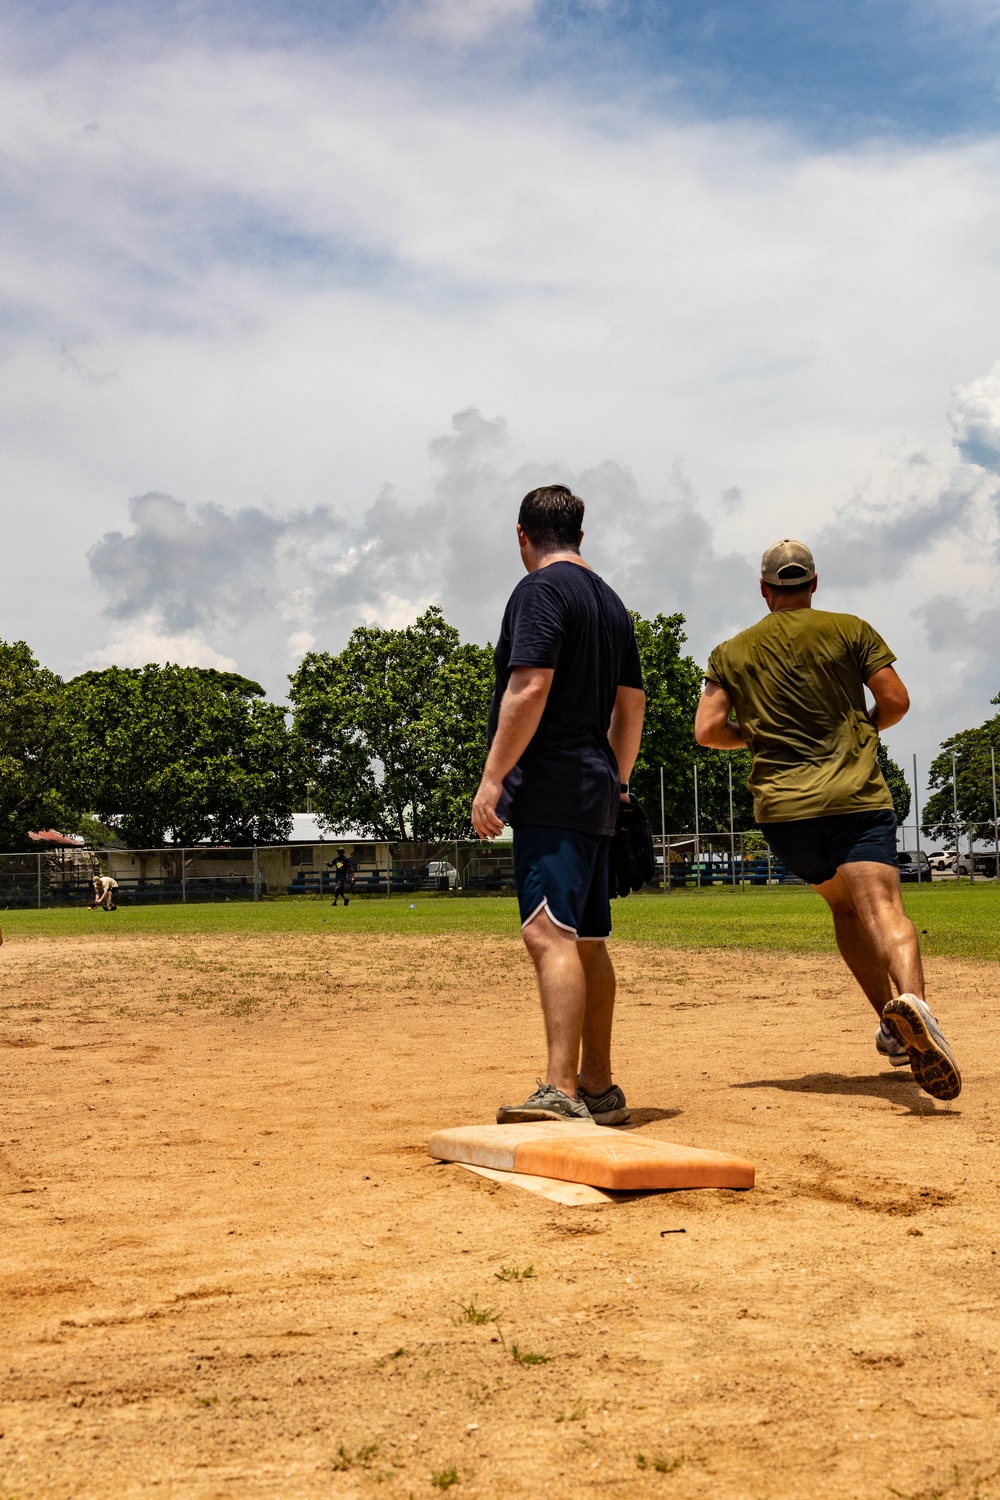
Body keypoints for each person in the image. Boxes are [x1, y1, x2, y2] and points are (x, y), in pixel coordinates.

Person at [694, 538, 960, 1101]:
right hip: (854, 796)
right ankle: (915, 1007)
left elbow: (708, 732)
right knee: (884, 910)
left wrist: (758, 736)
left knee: (843, 906)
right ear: (814, 584)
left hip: (785, 812)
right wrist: (861, 728)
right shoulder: (850, 629)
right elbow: (896, 700)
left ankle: (892, 1027)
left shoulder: (731, 651)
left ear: (765, 590)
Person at [471, 484, 646, 1125]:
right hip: (597, 784)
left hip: (551, 783)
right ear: (579, 533)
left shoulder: (540, 591)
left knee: (548, 933)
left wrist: (494, 778)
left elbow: (530, 684)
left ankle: (560, 1089)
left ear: (523, 535)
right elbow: (632, 705)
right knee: (588, 940)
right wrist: (618, 781)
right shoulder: (610, 601)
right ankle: (598, 1087)